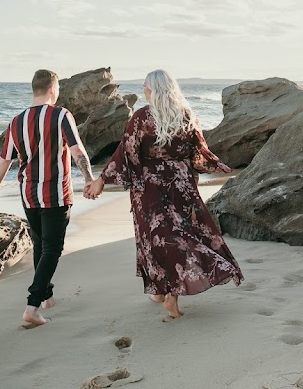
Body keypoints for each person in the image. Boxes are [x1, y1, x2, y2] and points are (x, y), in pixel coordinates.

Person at [83, 69, 243, 319]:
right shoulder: (187, 116)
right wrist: (215, 168)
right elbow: (197, 152)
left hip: (150, 187)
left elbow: (126, 153)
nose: (144, 90)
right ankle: (159, 292)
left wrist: (102, 180)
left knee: (155, 239)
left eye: (145, 86)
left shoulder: (142, 117)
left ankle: (171, 296)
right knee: (174, 235)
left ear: (153, 89)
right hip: (181, 186)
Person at [0, 69, 94, 327]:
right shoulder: (61, 115)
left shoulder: (16, 121)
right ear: (52, 89)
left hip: (28, 194)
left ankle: (45, 296)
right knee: (52, 248)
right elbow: (76, 149)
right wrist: (89, 179)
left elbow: (5, 159)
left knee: (40, 245)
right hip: (56, 193)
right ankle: (33, 305)